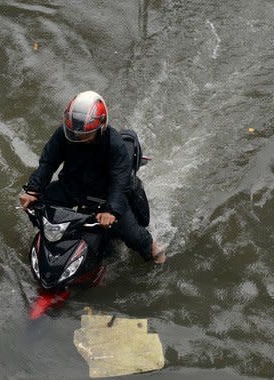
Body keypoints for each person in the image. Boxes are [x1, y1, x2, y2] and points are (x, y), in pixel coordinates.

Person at [19, 90, 165, 264]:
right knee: (39, 205)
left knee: (134, 235)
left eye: (84, 134)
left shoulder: (115, 144)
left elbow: (120, 183)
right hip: (72, 187)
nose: (77, 136)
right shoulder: (63, 134)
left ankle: (155, 250)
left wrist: (111, 210)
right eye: (73, 132)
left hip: (105, 195)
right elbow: (47, 163)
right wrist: (33, 190)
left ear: (101, 127)